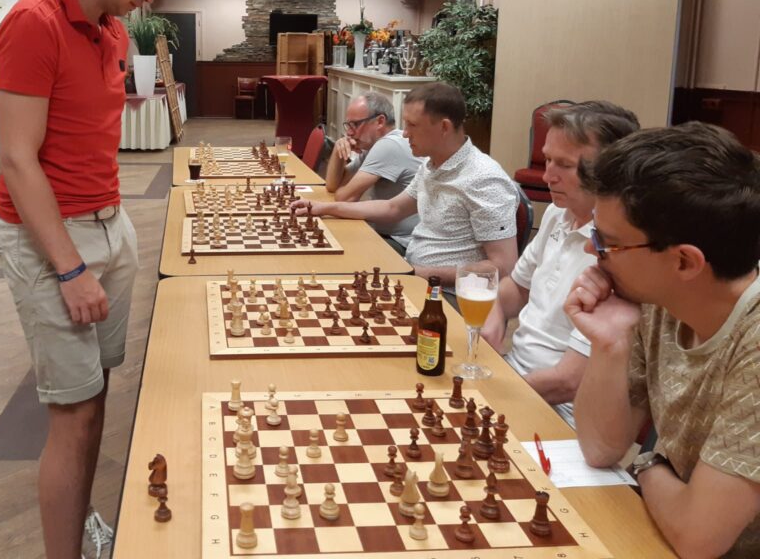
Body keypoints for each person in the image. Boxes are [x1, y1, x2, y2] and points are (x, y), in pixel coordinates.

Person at [0, 0, 193, 559]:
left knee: (98, 391)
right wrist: (71, 268)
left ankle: (81, 529)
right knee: (72, 414)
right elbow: (18, 161)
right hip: (55, 242)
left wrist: (110, 236)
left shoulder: (112, 32)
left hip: (111, 226)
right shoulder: (33, 23)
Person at [566, 122, 760, 558]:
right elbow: (599, 448)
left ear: (685, 262)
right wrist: (609, 345)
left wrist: (647, 462)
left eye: (607, 243)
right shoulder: (661, 300)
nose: (591, 252)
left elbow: (697, 537)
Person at [481, 101, 640, 426]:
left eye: (565, 165)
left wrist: (491, 394)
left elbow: (568, 382)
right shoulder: (557, 214)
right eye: (548, 159)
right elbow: (516, 290)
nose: (547, 176)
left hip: (564, 414)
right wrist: (494, 312)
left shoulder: (622, 251)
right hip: (515, 377)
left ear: (611, 171)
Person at [294, 82, 518, 285]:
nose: (405, 134)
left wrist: (415, 273)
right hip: (412, 272)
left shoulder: (485, 180)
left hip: (449, 293)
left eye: (412, 125)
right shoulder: (431, 165)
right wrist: (324, 208)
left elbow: (503, 267)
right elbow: (392, 208)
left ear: (444, 127)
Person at [324, 92, 420, 251]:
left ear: (380, 121)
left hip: (402, 242)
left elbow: (344, 198)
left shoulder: (389, 145)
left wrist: (342, 193)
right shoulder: (373, 146)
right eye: (348, 125)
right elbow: (333, 186)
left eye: (355, 125)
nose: (349, 133)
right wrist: (337, 150)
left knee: (335, 246)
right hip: (385, 233)